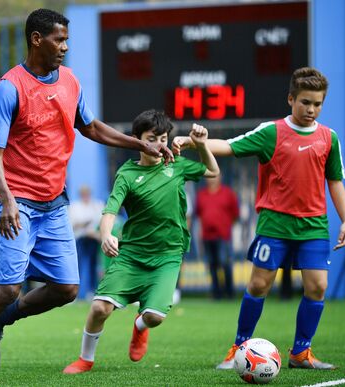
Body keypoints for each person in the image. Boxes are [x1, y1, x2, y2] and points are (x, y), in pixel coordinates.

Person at [0, 9, 174, 385]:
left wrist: (139, 143)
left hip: (54, 204)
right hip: (16, 204)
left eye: (66, 39)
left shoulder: (69, 81)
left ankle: (0, 320)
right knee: (6, 288)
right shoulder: (9, 88)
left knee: (66, 288)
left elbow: (92, 127)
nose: (65, 46)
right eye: (59, 39)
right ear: (36, 39)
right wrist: (8, 200)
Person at [173, 67, 345, 370]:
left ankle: (301, 353)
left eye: (317, 104)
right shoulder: (271, 132)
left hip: (313, 226)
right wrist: (192, 143)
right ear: (291, 99)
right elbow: (229, 146)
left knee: (317, 287)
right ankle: (238, 347)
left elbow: (334, 181)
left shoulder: (328, 138)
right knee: (258, 285)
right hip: (275, 224)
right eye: (305, 102)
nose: (311, 109)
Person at [62, 111, 219, 374]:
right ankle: (85, 360)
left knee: (154, 317)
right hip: (132, 255)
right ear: (137, 140)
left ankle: (139, 327)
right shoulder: (127, 173)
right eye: (152, 138)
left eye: (163, 138)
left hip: (167, 256)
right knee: (100, 307)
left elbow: (213, 170)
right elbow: (110, 209)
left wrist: (200, 144)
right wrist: (107, 234)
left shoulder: (176, 165)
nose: (159, 144)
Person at [195, 174, 239, 299]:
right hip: (207, 236)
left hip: (223, 235)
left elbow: (235, 214)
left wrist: (226, 226)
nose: (212, 178)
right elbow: (199, 215)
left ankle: (230, 293)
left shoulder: (228, 193)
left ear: (220, 177)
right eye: (210, 176)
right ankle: (216, 293)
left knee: (225, 263)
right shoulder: (201, 194)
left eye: (215, 176)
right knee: (212, 265)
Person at [68, 185, 105, 299]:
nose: (86, 196)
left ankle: (92, 291)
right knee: (78, 266)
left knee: (94, 265)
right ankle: (76, 293)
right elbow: (71, 225)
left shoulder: (97, 205)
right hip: (80, 240)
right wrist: (84, 224)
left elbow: (101, 222)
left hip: (93, 240)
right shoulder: (75, 207)